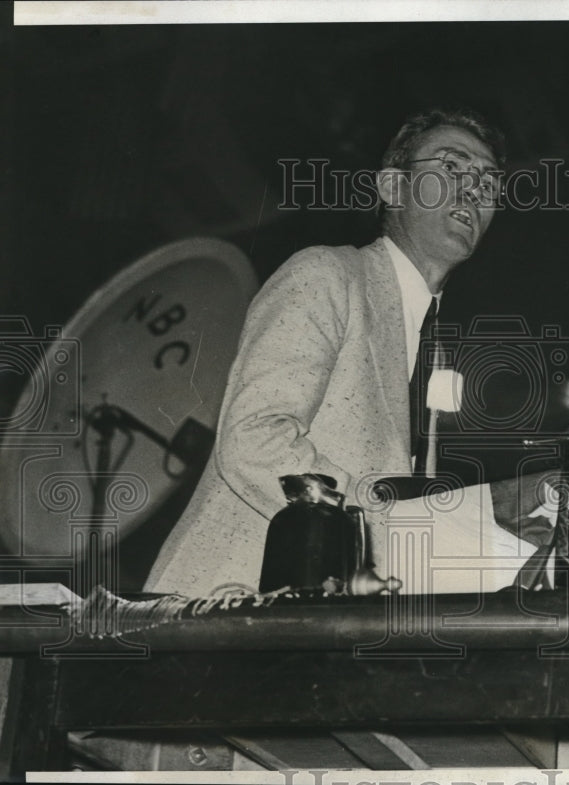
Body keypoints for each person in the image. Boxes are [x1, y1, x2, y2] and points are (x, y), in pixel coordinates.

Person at [145, 108, 507, 597]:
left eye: (487, 184)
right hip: (222, 607)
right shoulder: (325, 275)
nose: (472, 190)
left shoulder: (433, 342)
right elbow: (255, 440)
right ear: (392, 187)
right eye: (450, 167)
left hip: (318, 634)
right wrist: (392, 528)